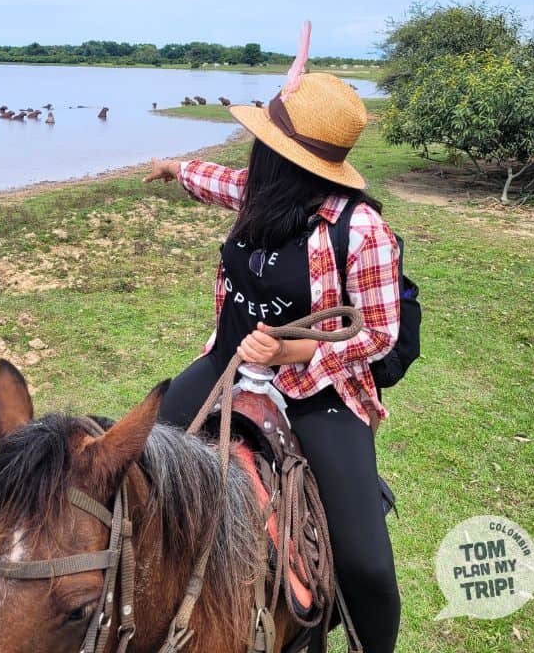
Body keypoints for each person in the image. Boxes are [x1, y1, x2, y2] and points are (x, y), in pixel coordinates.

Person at [144, 52, 402, 651]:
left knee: (366, 565)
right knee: (136, 465)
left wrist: (294, 350)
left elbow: (380, 333)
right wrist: (172, 167)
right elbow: (219, 182)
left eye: (262, 142)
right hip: (226, 363)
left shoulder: (360, 231)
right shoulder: (261, 196)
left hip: (316, 392)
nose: (251, 155)